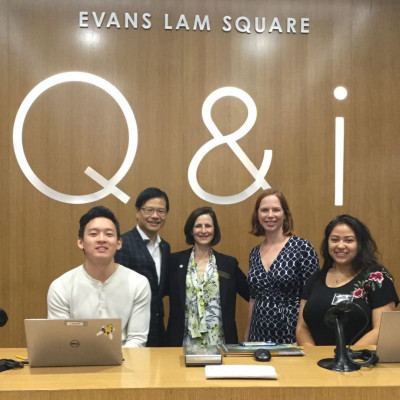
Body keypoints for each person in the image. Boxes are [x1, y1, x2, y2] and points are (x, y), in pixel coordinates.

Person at [47, 206, 151, 347]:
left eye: (109, 234)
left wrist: (115, 361)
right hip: (76, 361)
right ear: (80, 242)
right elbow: (59, 339)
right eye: (94, 234)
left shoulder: (138, 283)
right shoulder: (61, 286)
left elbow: (137, 339)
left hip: (124, 362)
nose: (102, 239)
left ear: (119, 243)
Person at [296, 214, 399, 346]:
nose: (340, 245)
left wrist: (346, 356)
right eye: (334, 239)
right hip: (316, 363)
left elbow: (381, 330)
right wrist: (313, 356)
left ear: (360, 244)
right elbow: (302, 328)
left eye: (349, 240)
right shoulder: (314, 279)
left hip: (360, 362)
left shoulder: (377, 278)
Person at [245, 188, 320, 344]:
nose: (270, 215)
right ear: (257, 214)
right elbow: (253, 299)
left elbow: (313, 297)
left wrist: (304, 337)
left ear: (285, 214)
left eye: (276, 210)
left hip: (291, 334)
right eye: (264, 210)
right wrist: (247, 336)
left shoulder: (302, 247)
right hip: (257, 335)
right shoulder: (254, 253)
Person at [167, 206, 250, 346]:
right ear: (191, 230)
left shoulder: (228, 264)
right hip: (182, 344)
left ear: (214, 230)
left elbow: (251, 293)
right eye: (198, 226)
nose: (203, 230)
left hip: (220, 343)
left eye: (208, 226)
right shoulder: (175, 261)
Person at [115, 187, 170, 346]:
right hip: (130, 331)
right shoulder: (122, 244)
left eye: (161, 211)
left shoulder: (165, 247)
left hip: (158, 331)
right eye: (149, 210)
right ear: (137, 212)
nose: (155, 216)